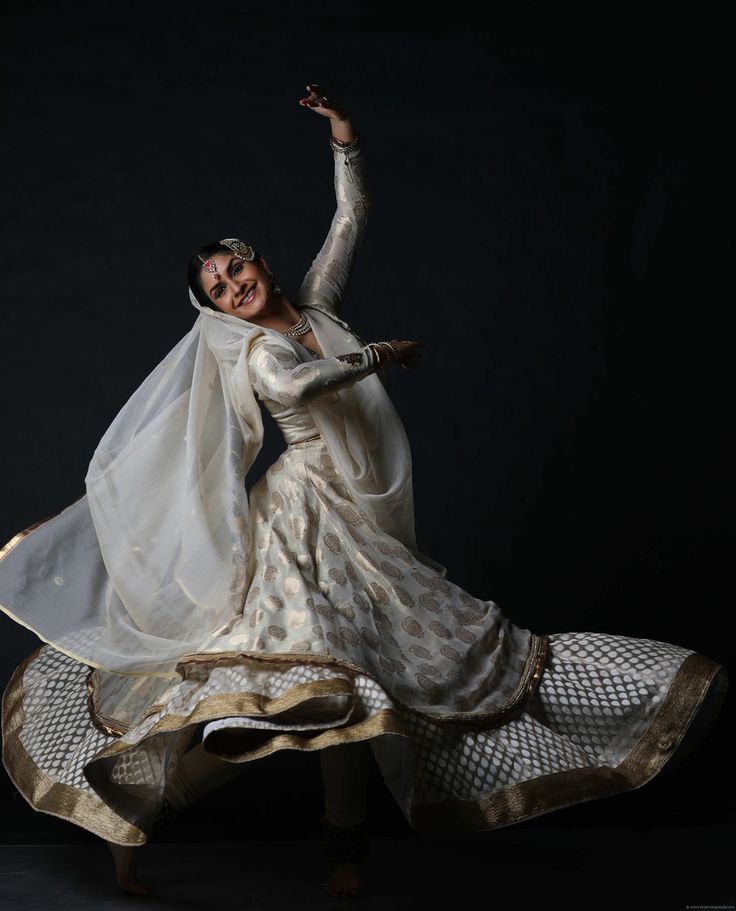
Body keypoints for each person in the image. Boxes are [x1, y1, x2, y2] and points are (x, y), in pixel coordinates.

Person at [0, 83, 728, 901]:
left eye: (234, 264)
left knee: (345, 699)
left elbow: (350, 220)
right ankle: (136, 807)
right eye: (215, 285)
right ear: (214, 310)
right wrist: (375, 356)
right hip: (303, 529)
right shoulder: (258, 357)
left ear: (260, 261)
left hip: (363, 526)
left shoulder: (317, 305)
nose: (231, 282)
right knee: (311, 690)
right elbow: (303, 385)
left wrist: (344, 135)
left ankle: (339, 852)